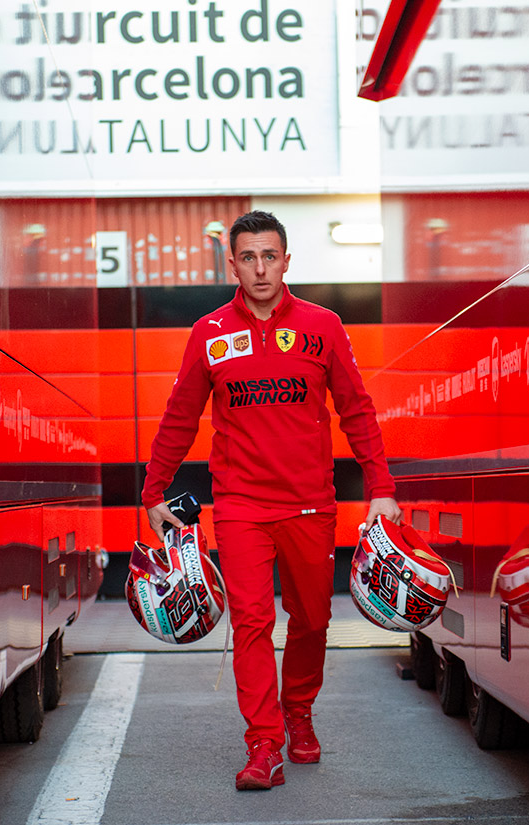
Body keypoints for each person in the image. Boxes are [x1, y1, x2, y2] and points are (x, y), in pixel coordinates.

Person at [141, 210, 401, 791]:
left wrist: (380, 489)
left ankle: (299, 711)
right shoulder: (208, 333)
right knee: (253, 621)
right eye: (248, 257)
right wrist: (153, 489)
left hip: (311, 503)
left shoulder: (324, 326)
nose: (260, 268)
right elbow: (180, 416)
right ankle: (264, 744)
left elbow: (356, 410)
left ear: (287, 260)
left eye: (270, 256)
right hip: (240, 506)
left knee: (311, 619)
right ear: (231, 264)